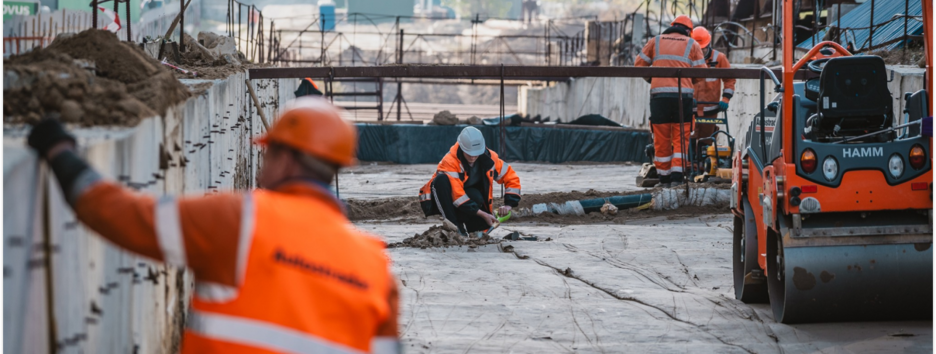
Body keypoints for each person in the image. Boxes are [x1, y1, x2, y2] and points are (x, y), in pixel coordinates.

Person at [26, 97, 401, 354]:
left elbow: (119, 214)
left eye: (266, 154)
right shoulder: (376, 268)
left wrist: (59, 150)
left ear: (285, 160)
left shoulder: (239, 221)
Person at [635, 15, 706, 187]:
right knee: (681, 138)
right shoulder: (692, 44)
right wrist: (689, 82)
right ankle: (677, 178)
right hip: (683, 98)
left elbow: (639, 66)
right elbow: (702, 73)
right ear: (689, 31)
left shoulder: (655, 41)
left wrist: (654, 79)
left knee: (661, 138)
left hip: (660, 98)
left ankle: (664, 179)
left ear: (672, 25)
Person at [418, 127, 521, 236]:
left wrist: (509, 204)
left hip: (466, 200)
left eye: (476, 154)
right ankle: (453, 226)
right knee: (441, 180)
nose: (472, 157)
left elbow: (511, 177)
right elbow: (457, 195)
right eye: (469, 153)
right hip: (444, 199)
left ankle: (465, 225)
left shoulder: (489, 159)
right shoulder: (449, 161)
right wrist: (482, 214)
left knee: (482, 221)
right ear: (462, 148)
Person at [690, 27, 735, 140]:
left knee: (707, 142)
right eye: (697, 49)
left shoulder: (719, 58)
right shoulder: (687, 58)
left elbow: (729, 79)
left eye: (703, 49)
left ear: (709, 44)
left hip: (711, 110)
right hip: (690, 108)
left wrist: (726, 99)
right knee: (688, 142)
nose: (700, 52)